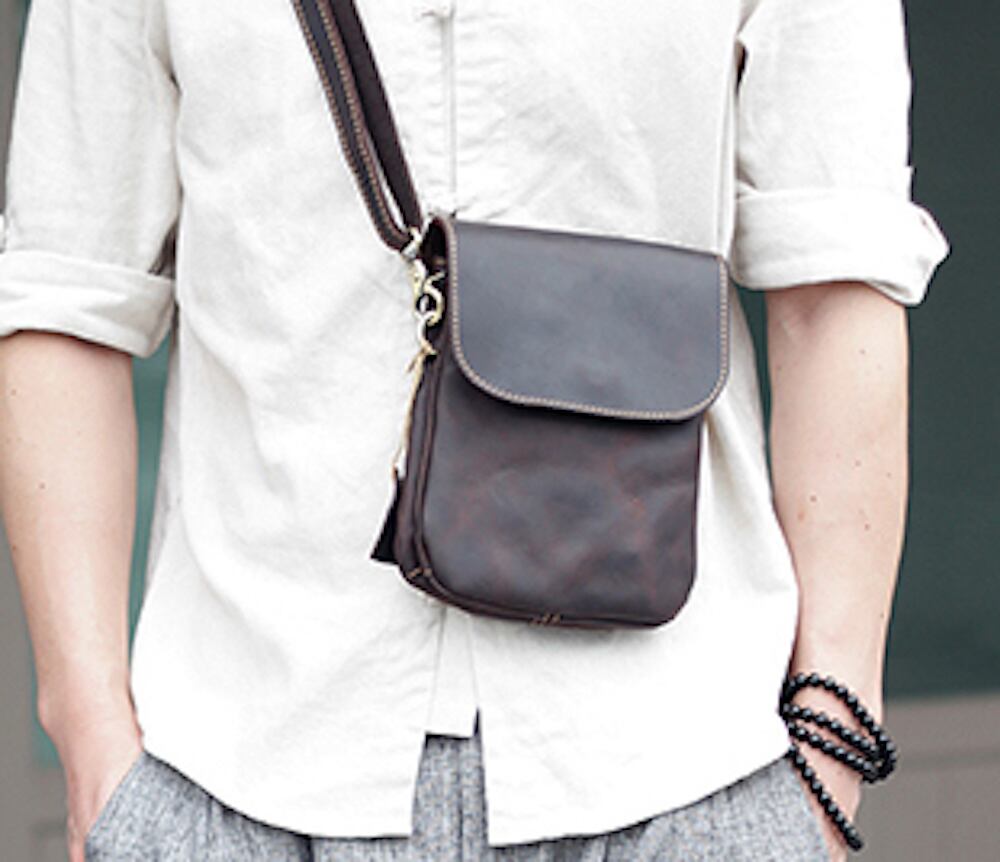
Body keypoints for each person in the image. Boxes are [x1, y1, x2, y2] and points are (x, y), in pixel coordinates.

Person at [0, 1, 948, 860]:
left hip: (683, 767)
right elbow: (66, 294)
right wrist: (92, 743)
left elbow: (837, 281)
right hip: (236, 770)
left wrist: (828, 757)